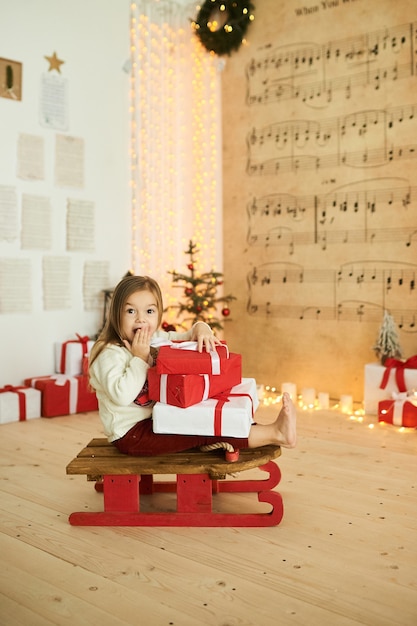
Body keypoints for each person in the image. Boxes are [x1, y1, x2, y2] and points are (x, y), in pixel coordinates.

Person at [89, 274, 296, 456]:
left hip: (159, 417)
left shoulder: (155, 339)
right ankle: (275, 433)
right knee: (201, 430)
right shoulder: (108, 352)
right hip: (132, 434)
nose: (141, 319)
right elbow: (122, 395)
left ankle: (261, 428)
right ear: (116, 314)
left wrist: (202, 328)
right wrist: (140, 358)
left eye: (149, 311)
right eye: (131, 311)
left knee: (207, 415)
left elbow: (186, 336)